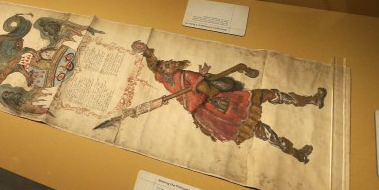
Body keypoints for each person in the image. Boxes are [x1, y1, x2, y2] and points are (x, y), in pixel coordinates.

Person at [131, 41, 327, 163]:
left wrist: (147, 51)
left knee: (259, 122)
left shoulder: (162, 77)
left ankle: (299, 141)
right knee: (264, 104)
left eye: (170, 61)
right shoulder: (186, 74)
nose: (170, 62)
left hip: (206, 114)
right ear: (167, 71)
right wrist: (205, 81)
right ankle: (308, 105)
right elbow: (212, 90)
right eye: (168, 64)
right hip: (217, 106)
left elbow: (153, 65)